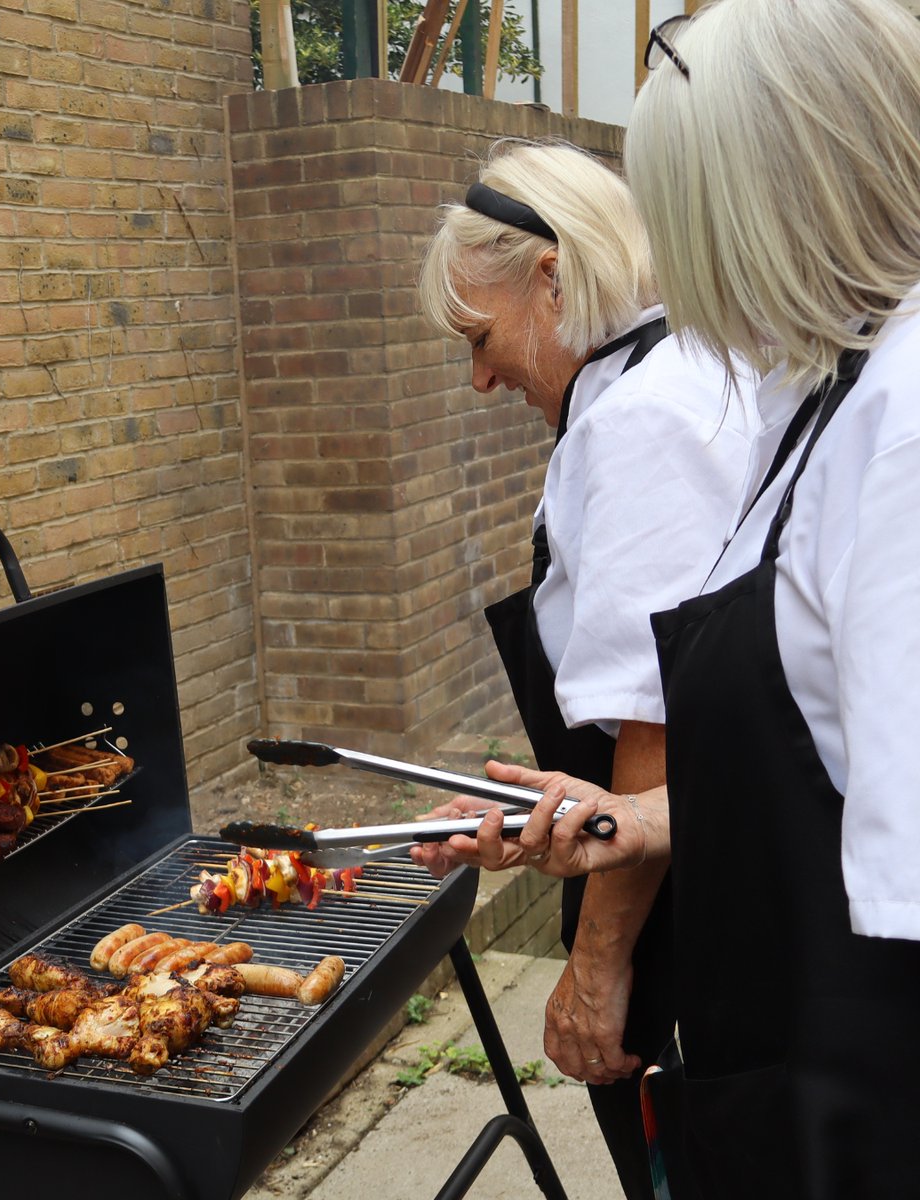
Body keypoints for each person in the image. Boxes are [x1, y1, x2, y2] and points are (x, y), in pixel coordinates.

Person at [432, 3, 920, 1197]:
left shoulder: (906, 421)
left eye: (687, 216)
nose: (680, 278)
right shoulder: (831, 396)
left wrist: (605, 959)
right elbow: (830, 756)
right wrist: (634, 820)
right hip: (801, 1031)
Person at [416, 139, 756, 1200]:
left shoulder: (640, 423)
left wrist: (599, 970)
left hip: (677, 928)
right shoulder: (673, 379)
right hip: (693, 878)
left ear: (552, 279)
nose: (478, 377)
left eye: (480, 337)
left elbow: (653, 733)